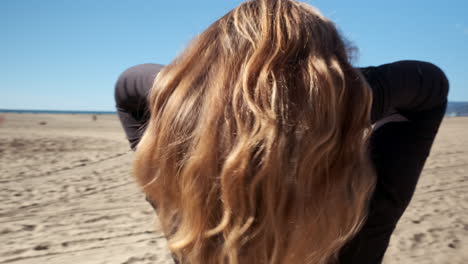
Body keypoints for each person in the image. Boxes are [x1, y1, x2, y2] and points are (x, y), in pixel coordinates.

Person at [114, 0, 449, 263]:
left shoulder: (182, 208)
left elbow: (129, 87)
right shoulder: (360, 214)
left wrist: (197, 90)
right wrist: (334, 97)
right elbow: (427, 85)